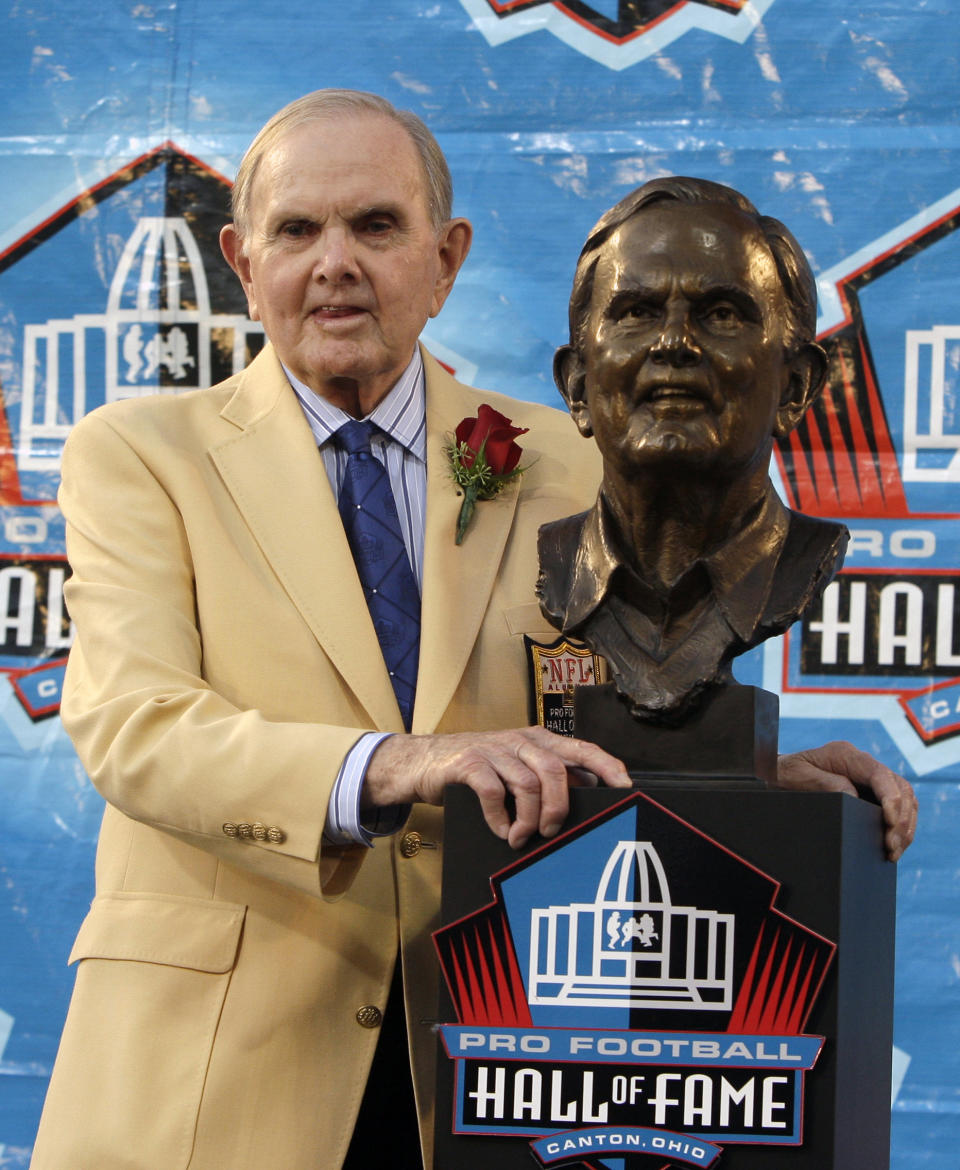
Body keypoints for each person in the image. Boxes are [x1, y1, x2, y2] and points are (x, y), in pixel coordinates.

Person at [30, 91, 916, 1170]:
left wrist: (742, 775)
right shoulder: (137, 454)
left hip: (493, 1068)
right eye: (297, 230)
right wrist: (396, 764)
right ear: (242, 259)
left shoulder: (574, 454)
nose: (336, 263)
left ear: (447, 259)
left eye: (376, 225)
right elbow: (136, 726)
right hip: (210, 1080)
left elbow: (593, 717)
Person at [538, 177, 846, 719]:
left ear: (795, 388)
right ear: (578, 386)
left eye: (722, 314)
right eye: (636, 312)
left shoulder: (800, 562)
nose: (674, 342)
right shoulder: (552, 564)